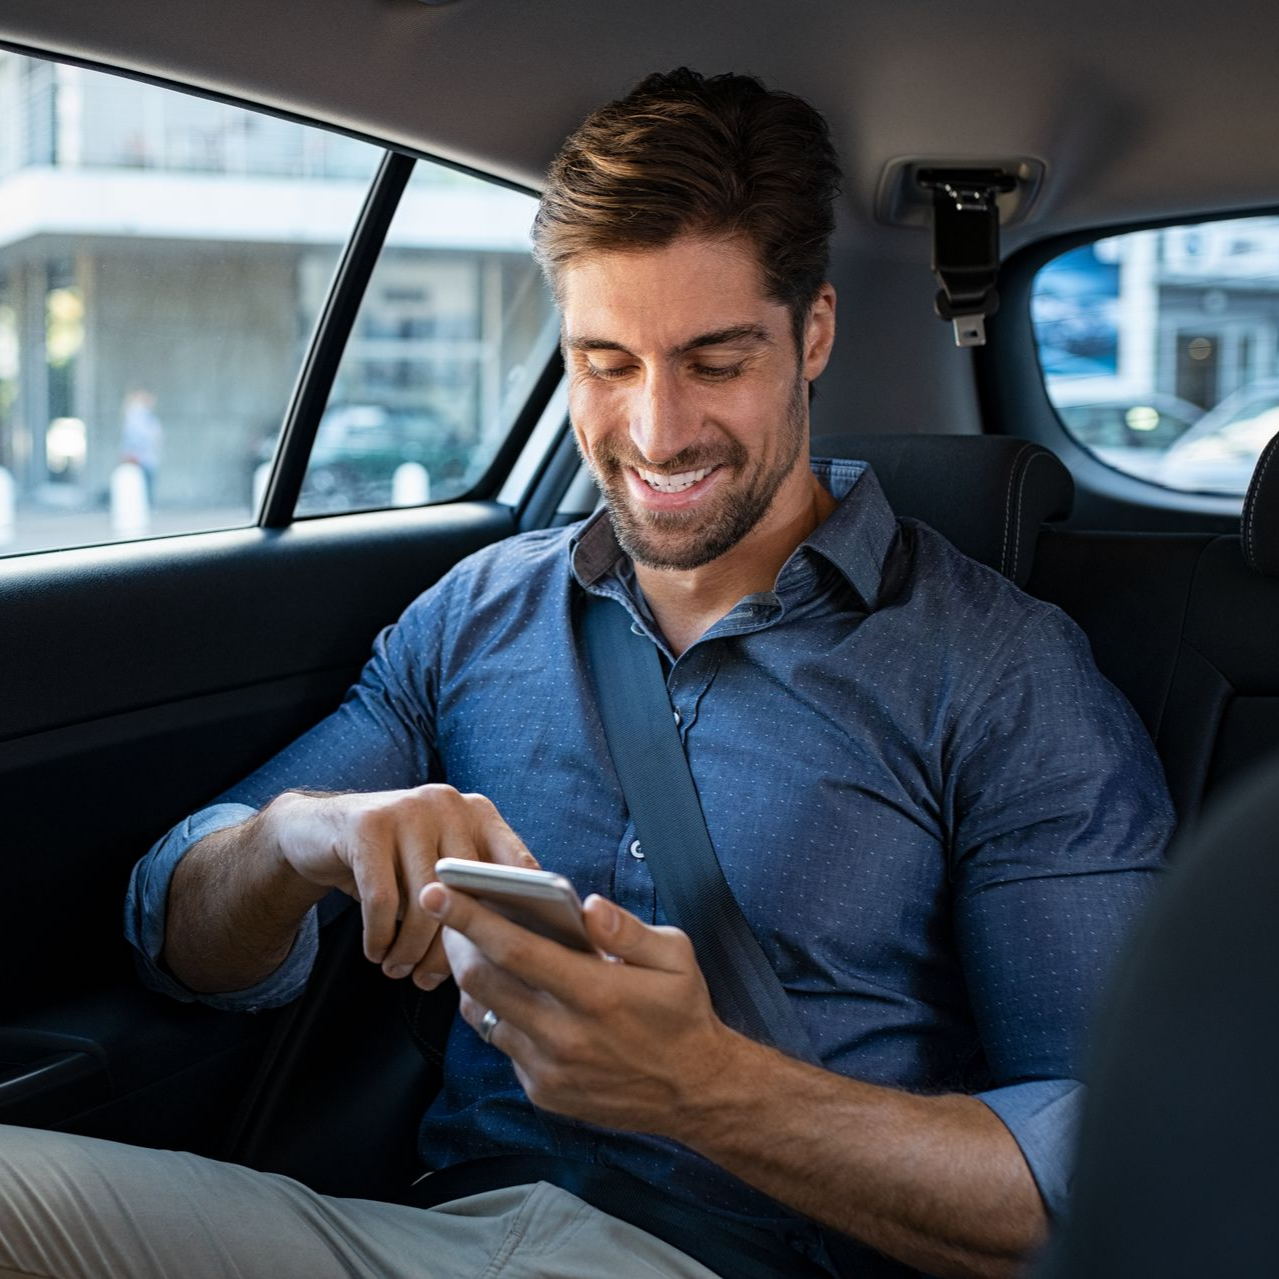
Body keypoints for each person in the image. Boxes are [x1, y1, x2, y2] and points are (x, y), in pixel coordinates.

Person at [0, 69, 1173, 1279]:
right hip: (430, 1236)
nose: (656, 431)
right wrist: (306, 835)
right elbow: (179, 938)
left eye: (715, 361)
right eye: (606, 362)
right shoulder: (478, 614)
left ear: (812, 333)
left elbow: (1113, 1179)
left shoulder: (999, 672)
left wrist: (708, 1089)